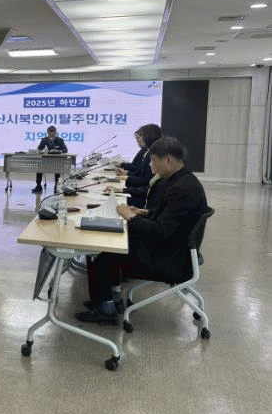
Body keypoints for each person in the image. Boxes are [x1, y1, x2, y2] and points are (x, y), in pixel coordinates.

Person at [76, 136, 209, 324]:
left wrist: (132, 218)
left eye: (154, 161)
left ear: (168, 161)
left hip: (170, 259)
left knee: (103, 251)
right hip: (175, 249)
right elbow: (171, 216)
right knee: (111, 242)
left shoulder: (180, 188)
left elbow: (160, 231)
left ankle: (107, 308)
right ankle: (109, 300)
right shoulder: (184, 180)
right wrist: (144, 212)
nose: (151, 166)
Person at [32, 125, 68, 193]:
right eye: (49, 132)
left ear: (55, 132)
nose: (51, 133)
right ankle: (38, 186)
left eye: (52, 132)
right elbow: (39, 149)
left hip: (56, 161)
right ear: (47, 132)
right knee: (39, 168)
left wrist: (59, 151)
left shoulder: (60, 140)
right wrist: (42, 151)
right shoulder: (44, 140)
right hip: (46, 161)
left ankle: (57, 186)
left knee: (58, 168)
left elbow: (65, 150)